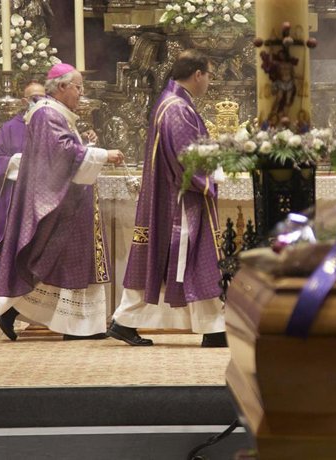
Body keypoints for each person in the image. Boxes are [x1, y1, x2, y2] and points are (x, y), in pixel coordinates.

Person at [0, 63, 124, 341]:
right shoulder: (46, 113)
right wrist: (102, 154)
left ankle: (25, 313)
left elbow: (65, 152)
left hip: (71, 201)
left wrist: (88, 149)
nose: (81, 93)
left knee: (65, 264)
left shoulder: (57, 113)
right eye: (78, 87)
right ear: (62, 86)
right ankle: (19, 312)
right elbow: (63, 153)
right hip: (61, 202)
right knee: (63, 262)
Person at [107, 50, 227, 348]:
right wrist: (212, 176)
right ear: (197, 74)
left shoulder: (174, 103)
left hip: (177, 196)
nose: (209, 82)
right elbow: (187, 157)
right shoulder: (176, 108)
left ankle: (214, 327)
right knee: (188, 256)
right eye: (209, 75)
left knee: (191, 259)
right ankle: (124, 321)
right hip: (180, 200)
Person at [0, 82, 46, 257]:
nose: (40, 102)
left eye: (44, 98)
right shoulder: (10, 128)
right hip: (17, 196)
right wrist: (16, 161)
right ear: (23, 101)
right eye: (35, 98)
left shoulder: (53, 126)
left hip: (45, 197)